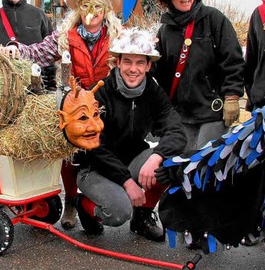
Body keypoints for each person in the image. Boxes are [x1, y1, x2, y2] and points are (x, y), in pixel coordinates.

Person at [3, 0, 123, 229]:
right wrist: (16, 49)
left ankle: (90, 202)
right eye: (86, 6)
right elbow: (39, 52)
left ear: (106, 10)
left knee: (100, 151)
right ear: (78, 9)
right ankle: (70, 200)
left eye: (97, 6)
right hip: (74, 101)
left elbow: (134, 58)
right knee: (70, 155)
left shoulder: (117, 37)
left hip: (104, 102)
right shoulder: (65, 36)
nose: (91, 12)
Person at [74, 28, 187, 242]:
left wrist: (156, 156)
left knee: (169, 163)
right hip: (96, 168)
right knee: (118, 213)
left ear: (148, 65)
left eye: (139, 63)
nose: (133, 69)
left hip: (132, 160)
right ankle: (85, 206)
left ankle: (142, 217)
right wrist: (127, 182)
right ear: (117, 63)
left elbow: (176, 131)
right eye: (127, 62)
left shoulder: (153, 92)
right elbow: (94, 147)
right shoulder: (98, 93)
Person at [149, 0, 245, 151]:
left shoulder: (214, 19)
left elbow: (232, 60)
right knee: (180, 167)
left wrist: (232, 96)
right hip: (181, 116)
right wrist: (141, 58)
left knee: (205, 167)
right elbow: (159, 73)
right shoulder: (165, 31)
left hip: (212, 112)